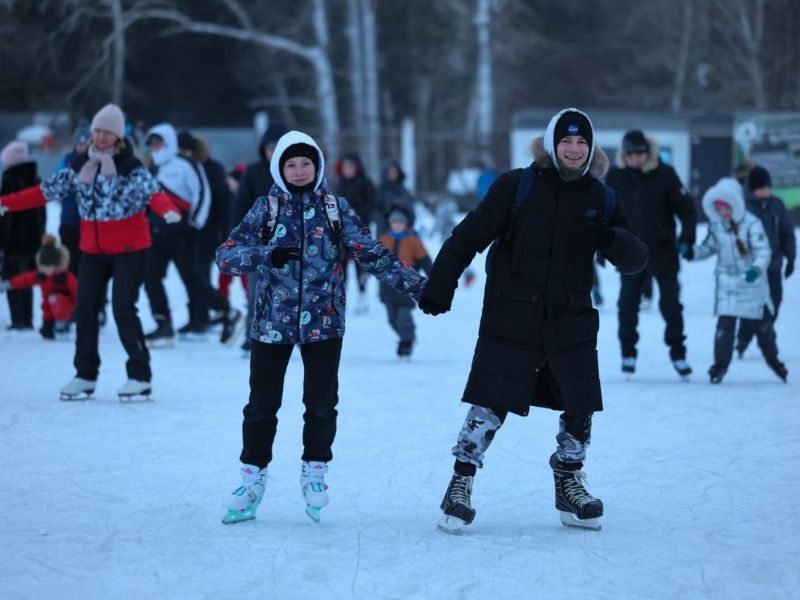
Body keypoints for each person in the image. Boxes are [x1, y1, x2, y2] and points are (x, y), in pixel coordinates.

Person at [418, 108, 648, 534]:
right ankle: (460, 483)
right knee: (491, 400)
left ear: (591, 147)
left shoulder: (600, 197)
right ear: (551, 144)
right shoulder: (516, 186)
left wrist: (612, 238)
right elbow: (468, 235)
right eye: (566, 141)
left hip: (570, 316)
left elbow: (635, 258)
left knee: (579, 403)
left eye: (582, 143)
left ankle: (569, 482)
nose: (574, 149)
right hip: (513, 312)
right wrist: (440, 284)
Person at [215, 130, 427, 525]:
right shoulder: (265, 208)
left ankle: (315, 473)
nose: (299, 171)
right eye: (291, 164)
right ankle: (252, 479)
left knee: (321, 404)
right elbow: (225, 257)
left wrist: (418, 287)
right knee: (262, 406)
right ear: (279, 167)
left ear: (317, 165)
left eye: (305, 163)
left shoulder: (335, 209)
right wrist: (267, 255)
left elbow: (372, 252)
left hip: (324, 323)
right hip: (270, 325)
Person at [0, 104, 182, 400]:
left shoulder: (130, 167)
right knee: (83, 310)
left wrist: (168, 211)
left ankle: (140, 375)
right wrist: (8, 202)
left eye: (107, 132)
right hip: (92, 251)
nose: (100, 137)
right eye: (97, 131)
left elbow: (154, 193)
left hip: (129, 249)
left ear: (118, 136)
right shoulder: (77, 164)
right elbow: (45, 191)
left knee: (124, 309)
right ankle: (85, 374)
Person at [605, 129, 697, 379]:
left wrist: (687, 238)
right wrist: (603, 247)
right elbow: (604, 213)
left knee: (671, 305)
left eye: (641, 154)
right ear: (624, 155)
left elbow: (687, 210)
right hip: (630, 251)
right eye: (632, 155)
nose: (637, 159)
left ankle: (678, 353)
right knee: (627, 305)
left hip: (663, 250)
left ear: (648, 153)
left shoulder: (665, 174)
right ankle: (628, 352)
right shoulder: (615, 176)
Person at [689, 178, 787, 383]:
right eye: (718, 208)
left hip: (751, 284)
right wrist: (692, 252)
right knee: (724, 329)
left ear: (735, 204)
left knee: (763, 328)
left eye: (725, 207)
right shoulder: (717, 226)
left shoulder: (751, 223)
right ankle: (719, 367)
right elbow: (709, 247)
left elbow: (763, 251)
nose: (722, 212)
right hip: (727, 285)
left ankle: (774, 361)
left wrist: (755, 269)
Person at [176, 129, 242, 338]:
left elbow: (225, 203)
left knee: (199, 273)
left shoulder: (212, 169)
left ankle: (202, 317)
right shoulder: (182, 169)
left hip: (209, 229)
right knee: (191, 273)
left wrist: (227, 233)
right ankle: (196, 316)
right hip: (189, 230)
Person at [236, 121, 289, 353]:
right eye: (269, 148)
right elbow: (240, 207)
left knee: (288, 292)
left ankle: (289, 332)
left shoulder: (294, 172)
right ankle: (252, 335)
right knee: (256, 291)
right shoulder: (253, 172)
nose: (272, 152)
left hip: (289, 245)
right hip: (258, 245)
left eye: (277, 148)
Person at [735, 166, 795, 358]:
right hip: (751, 267)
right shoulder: (742, 207)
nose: (765, 192)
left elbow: (787, 233)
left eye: (768, 188)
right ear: (752, 189)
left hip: (773, 265)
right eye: (761, 188)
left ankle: (763, 330)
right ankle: (743, 339)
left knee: (774, 301)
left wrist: (791, 258)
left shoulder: (776, 205)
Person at [0, 140, 45, 330]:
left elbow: (4, 212)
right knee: (28, 277)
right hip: (33, 238)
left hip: (13, 240)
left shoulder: (9, 179)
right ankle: (27, 318)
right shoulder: (35, 178)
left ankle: (18, 319)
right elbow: (42, 213)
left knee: (12, 277)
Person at [378, 205, 432, 357]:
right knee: (392, 319)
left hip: (407, 285)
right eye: (394, 222)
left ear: (406, 223)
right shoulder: (384, 239)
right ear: (390, 223)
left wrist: (433, 277)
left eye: (400, 222)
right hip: (387, 286)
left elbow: (425, 260)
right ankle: (406, 336)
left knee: (403, 317)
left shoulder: (413, 240)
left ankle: (406, 343)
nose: (397, 225)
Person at [0, 234, 77, 339]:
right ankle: (50, 326)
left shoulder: (65, 277)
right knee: (46, 333)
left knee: (55, 298)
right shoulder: (41, 276)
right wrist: (9, 284)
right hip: (48, 311)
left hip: (67, 308)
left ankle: (63, 325)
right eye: (44, 266)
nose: (47, 270)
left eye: (50, 266)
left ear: (56, 265)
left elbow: (78, 291)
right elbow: (25, 280)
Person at [335, 152, 375, 314]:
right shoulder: (340, 184)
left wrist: (353, 213)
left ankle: (363, 296)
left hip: (360, 230)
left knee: (361, 265)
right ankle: (342, 297)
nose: (348, 170)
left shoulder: (365, 183)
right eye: (346, 167)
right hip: (342, 233)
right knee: (341, 265)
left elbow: (371, 205)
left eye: (351, 167)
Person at [56, 121, 91, 276]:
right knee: (69, 266)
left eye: (85, 143)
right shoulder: (67, 160)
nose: (82, 146)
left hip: (89, 224)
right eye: (79, 143)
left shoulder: (96, 162)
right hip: (69, 221)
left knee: (88, 266)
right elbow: (55, 185)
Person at [375, 160, 415, 236]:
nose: (392, 175)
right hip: (385, 230)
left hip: (403, 229)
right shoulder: (380, 191)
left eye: (394, 172)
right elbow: (376, 211)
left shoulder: (404, 190)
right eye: (390, 173)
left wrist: (408, 223)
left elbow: (410, 211)